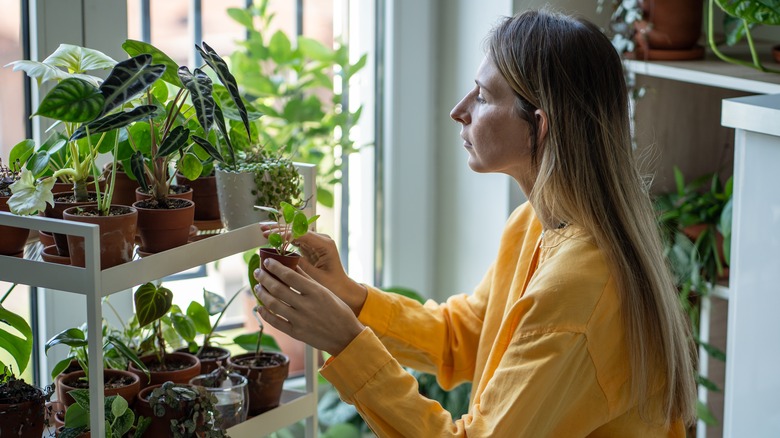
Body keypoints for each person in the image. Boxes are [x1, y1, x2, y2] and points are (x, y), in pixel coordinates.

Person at [253, 8, 697, 437]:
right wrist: (349, 296)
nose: (458, 110)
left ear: (537, 128)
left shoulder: (579, 287)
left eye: (483, 97)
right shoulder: (532, 224)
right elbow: (462, 337)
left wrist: (348, 343)